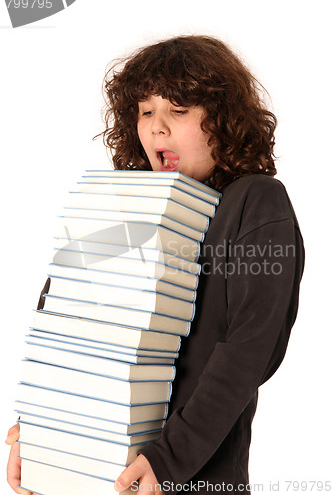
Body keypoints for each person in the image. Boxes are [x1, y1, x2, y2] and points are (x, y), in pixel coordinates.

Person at [6, 35, 305, 494]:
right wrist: (42, 429)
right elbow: (63, 324)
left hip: (192, 481)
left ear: (222, 120)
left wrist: (168, 460)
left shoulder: (255, 202)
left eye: (178, 111)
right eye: (146, 111)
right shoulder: (123, 208)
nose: (157, 128)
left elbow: (250, 348)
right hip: (86, 473)